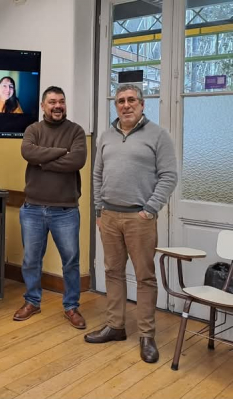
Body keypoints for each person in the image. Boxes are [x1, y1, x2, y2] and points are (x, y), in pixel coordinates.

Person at [85, 84, 178, 364]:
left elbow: (169, 176)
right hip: (110, 217)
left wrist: (150, 210)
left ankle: (147, 335)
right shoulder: (106, 136)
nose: (125, 105)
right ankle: (115, 327)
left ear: (142, 104)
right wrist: (99, 211)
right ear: (116, 106)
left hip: (140, 217)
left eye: (131, 100)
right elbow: (97, 174)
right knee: (113, 272)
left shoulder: (158, 135)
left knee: (144, 277)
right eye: (120, 101)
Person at [13, 86, 87, 329]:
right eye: (53, 102)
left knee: (71, 261)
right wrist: (59, 153)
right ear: (43, 106)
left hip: (65, 210)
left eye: (62, 101)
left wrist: (43, 160)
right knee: (31, 260)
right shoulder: (32, 130)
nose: (58, 106)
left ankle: (71, 306)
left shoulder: (76, 131)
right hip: (33, 208)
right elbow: (27, 151)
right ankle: (32, 301)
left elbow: (77, 161)